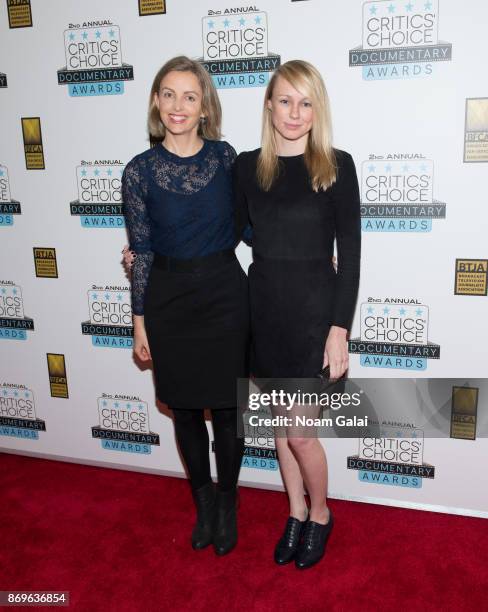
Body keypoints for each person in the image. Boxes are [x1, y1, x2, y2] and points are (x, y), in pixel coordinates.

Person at [233, 60, 361, 569]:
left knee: (300, 431)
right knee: (280, 429)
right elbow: (230, 230)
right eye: (285, 100)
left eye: (306, 102)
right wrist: (144, 253)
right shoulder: (247, 166)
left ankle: (322, 514)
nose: (295, 112)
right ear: (268, 104)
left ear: (318, 109)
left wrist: (339, 328)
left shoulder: (336, 164)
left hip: (315, 314)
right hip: (265, 308)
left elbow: (350, 255)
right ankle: (294, 510)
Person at [121, 56, 249, 556]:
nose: (178, 106)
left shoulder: (226, 159)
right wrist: (139, 322)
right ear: (156, 101)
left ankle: (228, 503)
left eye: (189, 96)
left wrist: (300, 246)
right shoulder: (139, 172)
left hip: (224, 292)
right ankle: (204, 507)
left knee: (229, 409)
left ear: (204, 107)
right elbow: (144, 248)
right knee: (188, 413)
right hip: (169, 300)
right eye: (169, 94)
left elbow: (250, 225)